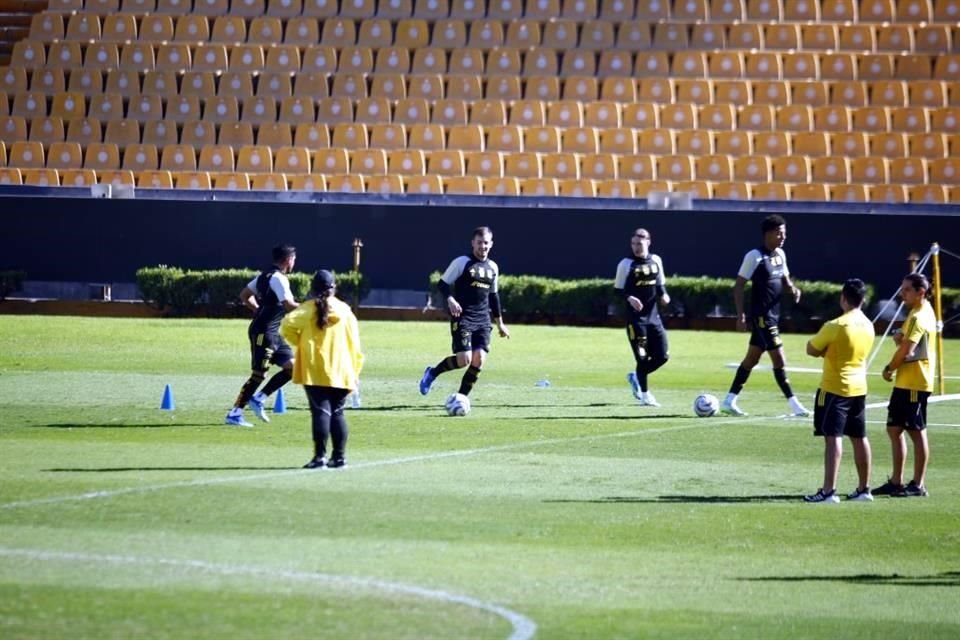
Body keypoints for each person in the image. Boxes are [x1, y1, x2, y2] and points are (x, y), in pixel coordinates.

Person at [722, 214, 810, 418]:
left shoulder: (781, 254)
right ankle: (795, 404)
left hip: (773, 317)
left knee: (750, 360)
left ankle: (729, 400)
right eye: (779, 233)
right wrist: (740, 315)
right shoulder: (754, 256)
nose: (783, 237)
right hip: (762, 318)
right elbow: (739, 286)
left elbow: (785, 279)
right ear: (768, 234)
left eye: (785, 233)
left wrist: (794, 289)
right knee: (780, 360)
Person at [280, 269, 364, 469]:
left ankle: (319, 458)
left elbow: (286, 325)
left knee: (320, 412)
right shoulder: (345, 310)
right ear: (334, 288)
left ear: (313, 288)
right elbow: (356, 345)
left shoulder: (308, 309)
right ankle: (340, 457)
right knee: (338, 413)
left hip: (315, 368)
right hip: (343, 369)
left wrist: (300, 341)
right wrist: (355, 370)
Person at [803, 278, 876, 503]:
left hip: (834, 388)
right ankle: (864, 489)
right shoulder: (869, 325)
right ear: (863, 300)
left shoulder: (836, 325)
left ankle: (828, 491)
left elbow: (811, 349)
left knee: (833, 438)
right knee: (859, 437)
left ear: (843, 298)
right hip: (859, 388)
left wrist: (827, 351)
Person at [419, 226, 510, 401]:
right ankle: (432, 372)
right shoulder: (462, 262)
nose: (482, 246)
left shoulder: (493, 267)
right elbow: (443, 284)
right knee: (464, 359)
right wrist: (451, 299)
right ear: (472, 243)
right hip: (463, 317)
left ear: (491, 244)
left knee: (479, 360)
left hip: (483, 319)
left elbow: (493, 296)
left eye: (486, 243)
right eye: (479, 242)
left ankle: (461, 398)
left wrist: (500, 324)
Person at [874, 273, 937, 498]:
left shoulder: (920, 316)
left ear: (921, 292)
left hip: (915, 383)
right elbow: (907, 341)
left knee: (916, 432)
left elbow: (907, 350)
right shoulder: (916, 313)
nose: (902, 294)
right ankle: (896, 481)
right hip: (905, 382)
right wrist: (900, 337)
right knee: (893, 428)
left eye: (907, 290)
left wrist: (889, 367)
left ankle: (918, 485)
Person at [225, 244, 299, 428]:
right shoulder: (279, 279)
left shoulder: (263, 276)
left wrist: (258, 309)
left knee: (294, 367)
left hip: (272, 332)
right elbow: (289, 305)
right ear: (288, 259)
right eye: (294, 259)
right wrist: (312, 308)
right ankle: (235, 413)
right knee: (259, 374)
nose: (294, 263)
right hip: (262, 332)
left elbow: (245, 295)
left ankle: (259, 399)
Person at [614, 228, 671, 406]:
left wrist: (664, 295)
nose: (636, 247)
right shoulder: (625, 264)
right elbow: (617, 290)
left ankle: (636, 377)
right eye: (633, 244)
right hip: (635, 320)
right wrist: (629, 298)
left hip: (654, 318)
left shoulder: (656, 260)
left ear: (648, 242)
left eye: (639, 243)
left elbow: (660, 283)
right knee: (642, 357)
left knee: (662, 357)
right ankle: (645, 396)